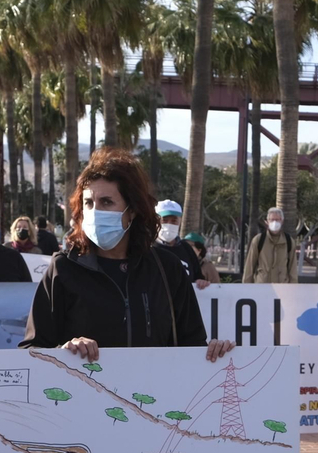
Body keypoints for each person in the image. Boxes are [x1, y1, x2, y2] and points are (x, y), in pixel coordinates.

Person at [22, 147, 232, 363]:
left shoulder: (167, 269)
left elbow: (193, 344)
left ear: (132, 210)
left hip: (154, 394)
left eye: (106, 202)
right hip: (83, 394)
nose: (95, 212)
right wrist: (63, 350)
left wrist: (215, 352)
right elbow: (31, 348)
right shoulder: (63, 268)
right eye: (89, 203)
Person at [154, 199, 209, 288]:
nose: (169, 224)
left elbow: (198, 276)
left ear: (180, 221)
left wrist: (201, 282)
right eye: (164, 220)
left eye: (174, 221)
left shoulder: (187, 248)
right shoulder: (147, 248)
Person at [241, 207, 298, 283]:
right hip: (262, 287)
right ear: (267, 221)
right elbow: (250, 266)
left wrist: (293, 289)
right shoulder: (258, 240)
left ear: (282, 221)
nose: (275, 222)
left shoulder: (289, 241)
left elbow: (292, 268)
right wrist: (246, 287)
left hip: (282, 287)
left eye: (277, 220)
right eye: (272, 220)